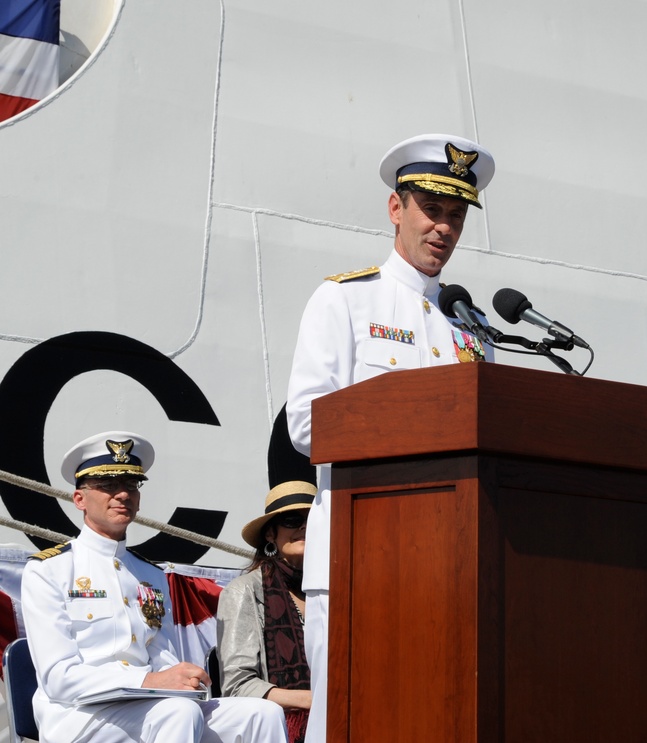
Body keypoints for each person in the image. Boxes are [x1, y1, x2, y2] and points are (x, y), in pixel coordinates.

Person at [285, 132, 496, 742]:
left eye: (456, 216)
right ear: (395, 208)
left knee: (436, 717)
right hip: (361, 554)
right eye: (433, 210)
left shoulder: (471, 324)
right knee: (348, 720)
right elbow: (306, 425)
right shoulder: (345, 301)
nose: (444, 228)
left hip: (450, 557)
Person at [20, 431, 288, 743]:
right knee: (178, 713)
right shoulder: (48, 570)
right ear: (79, 499)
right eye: (108, 486)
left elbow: (162, 656)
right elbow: (59, 680)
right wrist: (150, 680)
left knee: (261, 713)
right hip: (78, 716)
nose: (122, 494)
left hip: (151, 705)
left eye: (131, 485)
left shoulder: (150, 574)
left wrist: (183, 678)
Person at [216, 481, 316, 743]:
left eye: (314, 518)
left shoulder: (338, 590)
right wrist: (312, 700)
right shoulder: (243, 591)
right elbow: (237, 686)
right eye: (293, 520)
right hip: (276, 731)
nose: (304, 527)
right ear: (270, 534)